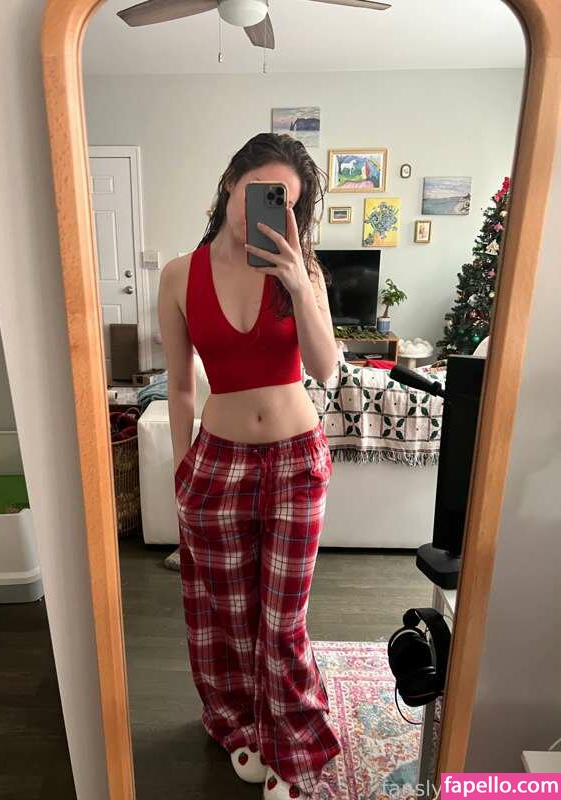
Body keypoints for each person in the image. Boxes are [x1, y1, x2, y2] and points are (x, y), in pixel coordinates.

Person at [157, 132, 341, 799]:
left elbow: (325, 368)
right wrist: (183, 470)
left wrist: (296, 281)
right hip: (217, 466)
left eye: (283, 200)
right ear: (230, 183)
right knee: (229, 617)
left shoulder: (302, 269)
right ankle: (239, 725)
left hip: (297, 463)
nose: (262, 208)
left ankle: (293, 745)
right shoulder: (179, 275)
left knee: (284, 622)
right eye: (256, 191)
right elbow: (180, 386)